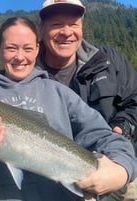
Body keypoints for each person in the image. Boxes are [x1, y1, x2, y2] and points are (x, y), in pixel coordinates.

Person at [0, 16, 137, 201]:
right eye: (11, 48)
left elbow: (104, 135)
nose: (20, 57)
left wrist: (122, 169)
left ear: (37, 49)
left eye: (28, 48)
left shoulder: (59, 92)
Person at [36, 0, 137, 199]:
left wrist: (122, 127)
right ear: (40, 31)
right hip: (58, 176)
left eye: (73, 24)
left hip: (121, 162)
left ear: (82, 27)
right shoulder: (25, 75)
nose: (66, 32)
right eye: (56, 24)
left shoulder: (108, 60)